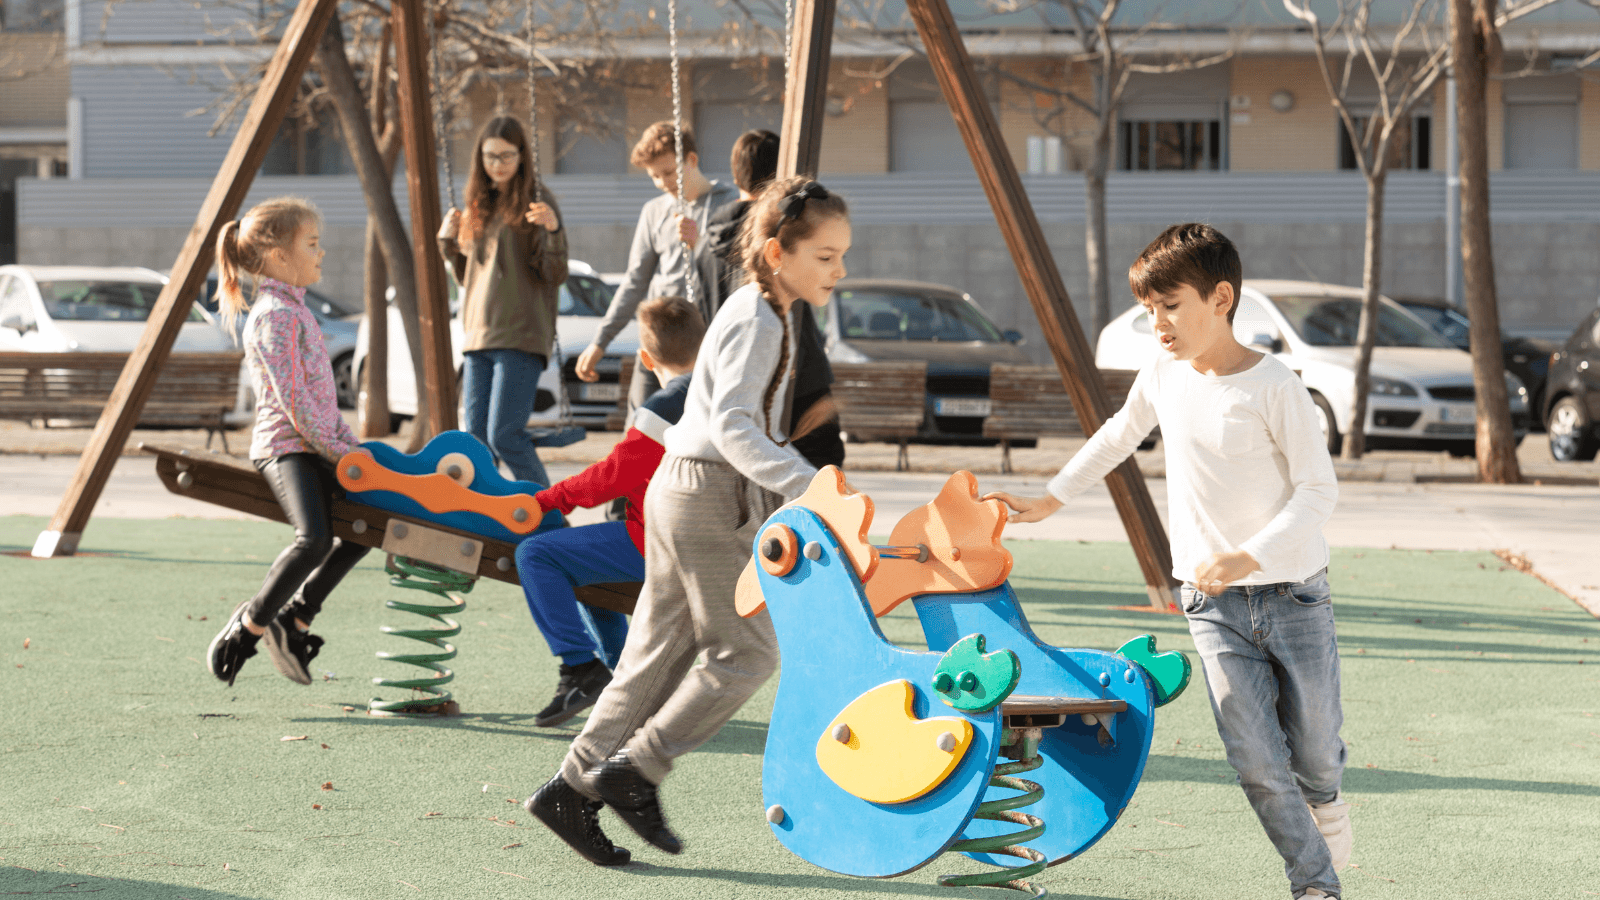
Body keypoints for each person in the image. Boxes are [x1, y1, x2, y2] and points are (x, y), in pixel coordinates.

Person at [984, 223, 1349, 900]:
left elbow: (1319, 491)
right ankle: (1315, 884)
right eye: (1149, 309)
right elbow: (1117, 437)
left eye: (1171, 305)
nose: (1157, 323)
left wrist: (1249, 554)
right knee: (1255, 759)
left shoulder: (1274, 387)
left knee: (1316, 750)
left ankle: (1325, 800)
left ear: (1221, 298)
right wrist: (1050, 500)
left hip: (1293, 594)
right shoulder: (1162, 374)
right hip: (1212, 606)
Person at [525, 176, 849, 866]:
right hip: (708, 492)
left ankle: (571, 788)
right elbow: (733, 426)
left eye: (841, 255)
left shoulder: (767, 309)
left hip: (687, 488)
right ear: (776, 251)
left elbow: (740, 422)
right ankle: (636, 768)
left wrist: (806, 476)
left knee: (655, 657)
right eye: (825, 256)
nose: (838, 270)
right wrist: (806, 484)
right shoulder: (761, 318)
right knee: (750, 653)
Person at [516, 296, 706, 728]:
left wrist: (549, 499)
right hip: (699, 541)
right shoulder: (719, 396)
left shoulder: (663, 409)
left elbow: (613, 477)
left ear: (644, 357)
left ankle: (580, 668)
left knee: (536, 554)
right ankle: (625, 681)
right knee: (588, 567)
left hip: (659, 545)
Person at [206, 197, 370, 687]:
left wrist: (355, 449)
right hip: (286, 448)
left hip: (314, 444)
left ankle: (295, 620)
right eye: (312, 244)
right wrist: (342, 455)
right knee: (314, 538)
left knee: (366, 523)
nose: (322, 253)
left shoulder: (297, 312)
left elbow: (323, 406)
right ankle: (249, 626)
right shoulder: (275, 315)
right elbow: (297, 407)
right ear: (278, 256)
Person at [697, 129, 844, 470]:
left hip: (733, 384)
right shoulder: (791, 235)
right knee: (822, 484)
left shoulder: (707, 245)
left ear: (735, 175)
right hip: (796, 380)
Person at [437, 116, 568, 489]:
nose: (497, 164)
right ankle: (486, 520)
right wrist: (449, 245)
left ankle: (550, 515)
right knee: (475, 443)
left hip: (521, 334)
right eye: (490, 156)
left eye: (506, 156)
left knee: (504, 435)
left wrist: (554, 229)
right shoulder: (479, 204)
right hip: (478, 335)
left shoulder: (537, 200)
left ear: (522, 156)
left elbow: (554, 274)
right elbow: (468, 277)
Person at [575, 122, 737, 419]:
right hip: (658, 335)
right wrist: (601, 341)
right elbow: (635, 281)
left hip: (703, 338)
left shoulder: (729, 204)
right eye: (654, 176)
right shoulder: (654, 212)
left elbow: (738, 278)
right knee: (641, 425)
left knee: (694, 431)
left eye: (669, 172)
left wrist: (699, 245)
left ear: (692, 160)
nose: (664, 182)